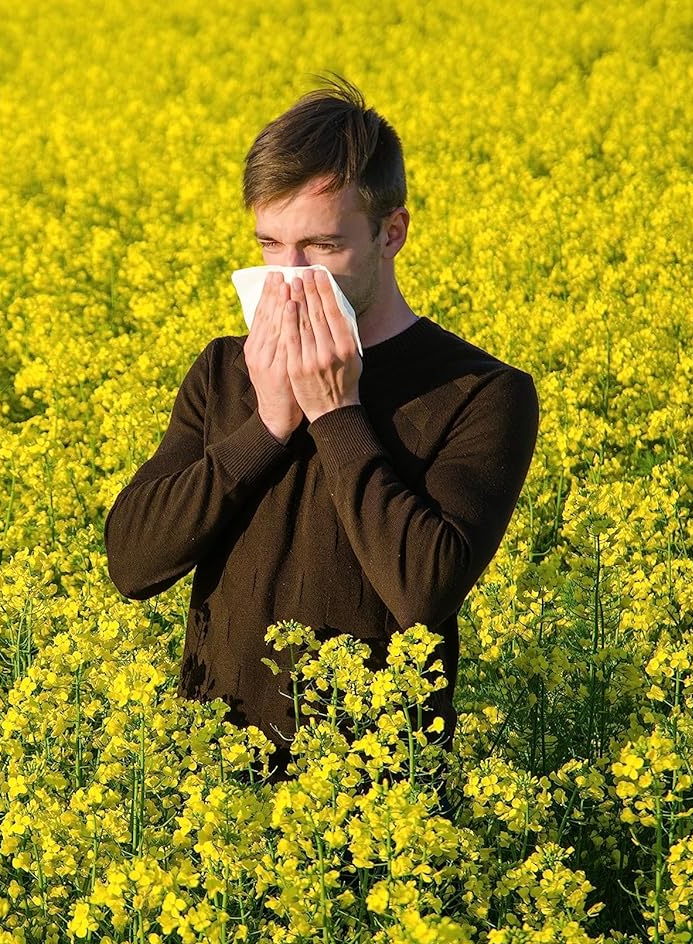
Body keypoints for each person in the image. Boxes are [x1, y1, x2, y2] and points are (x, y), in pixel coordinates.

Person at [103, 72, 540, 795]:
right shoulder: (227, 369)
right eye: (270, 245)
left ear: (391, 233)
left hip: (380, 809)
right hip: (216, 794)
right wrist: (268, 423)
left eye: (321, 246)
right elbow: (132, 562)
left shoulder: (480, 393)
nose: (290, 276)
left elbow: (424, 591)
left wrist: (336, 413)